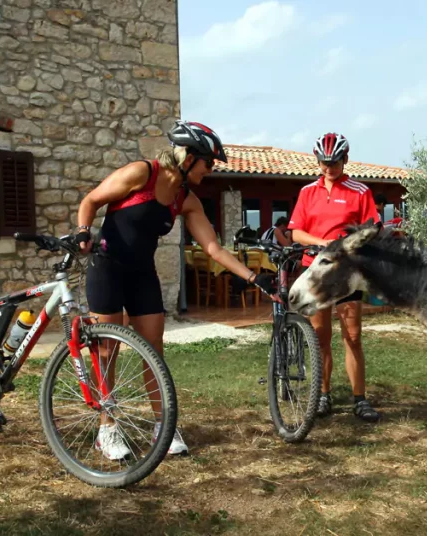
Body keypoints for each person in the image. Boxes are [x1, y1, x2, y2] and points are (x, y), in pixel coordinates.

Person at [75, 120, 276, 460]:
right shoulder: (142, 173)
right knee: (107, 350)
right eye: (208, 163)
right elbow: (91, 200)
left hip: (142, 274)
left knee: (153, 350)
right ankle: (107, 427)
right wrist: (83, 231)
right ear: (188, 158)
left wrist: (253, 276)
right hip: (107, 268)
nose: (210, 170)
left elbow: (213, 248)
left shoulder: (186, 199)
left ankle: (162, 426)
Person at [288, 132, 381, 423]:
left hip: (345, 275)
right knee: (320, 337)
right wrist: (322, 243)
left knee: (352, 336)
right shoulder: (307, 192)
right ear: (317, 161)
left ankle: (360, 399)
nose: (329, 167)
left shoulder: (360, 191)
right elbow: (296, 232)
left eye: (334, 162)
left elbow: (372, 229)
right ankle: (323, 395)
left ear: (345, 159)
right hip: (316, 274)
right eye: (324, 162)